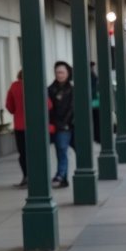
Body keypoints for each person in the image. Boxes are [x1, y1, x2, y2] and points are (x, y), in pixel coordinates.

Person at [47, 60, 74, 188]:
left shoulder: (72, 89)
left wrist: (66, 122)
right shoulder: (50, 89)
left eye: (62, 72)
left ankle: (61, 175)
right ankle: (62, 176)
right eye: (57, 72)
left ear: (68, 73)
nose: (60, 75)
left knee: (62, 149)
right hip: (57, 125)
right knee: (60, 150)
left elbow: (73, 108)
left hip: (68, 125)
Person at [4, 69, 27, 187]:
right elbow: (48, 105)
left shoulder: (14, 86)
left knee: (23, 153)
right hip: (36, 126)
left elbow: (9, 106)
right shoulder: (37, 85)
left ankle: (26, 177)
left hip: (20, 125)